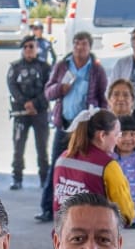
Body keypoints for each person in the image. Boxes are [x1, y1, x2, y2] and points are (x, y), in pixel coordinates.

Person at [39, 30, 109, 222]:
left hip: (85, 128)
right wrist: (60, 89)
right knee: (57, 165)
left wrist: (102, 123)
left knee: (84, 167)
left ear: (90, 46)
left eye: (84, 44)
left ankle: (81, 208)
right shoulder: (62, 66)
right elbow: (48, 92)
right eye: (77, 43)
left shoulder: (96, 69)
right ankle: (47, 207)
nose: (80, 47)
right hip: (64, 124)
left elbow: (103, 98)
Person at [50, 108, 135, 224]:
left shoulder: (62, 158)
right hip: (93, 236)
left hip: (63, 235)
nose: (117, 140)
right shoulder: (108, 165)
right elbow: (125, 212)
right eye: (116, 134)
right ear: (102, 135)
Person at [8, 36, 52, 192]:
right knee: (18, 147)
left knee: (42, 147)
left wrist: (35, 104)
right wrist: (25, 102)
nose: (28, 49)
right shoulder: (15, 67)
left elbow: (49, 89)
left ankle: (44, 179)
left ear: (37, 48)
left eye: (31, 46)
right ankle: (17, 178)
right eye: (25, 46)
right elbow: (12, 87)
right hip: (21, 112)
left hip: (39, 113)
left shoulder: (45, 67)